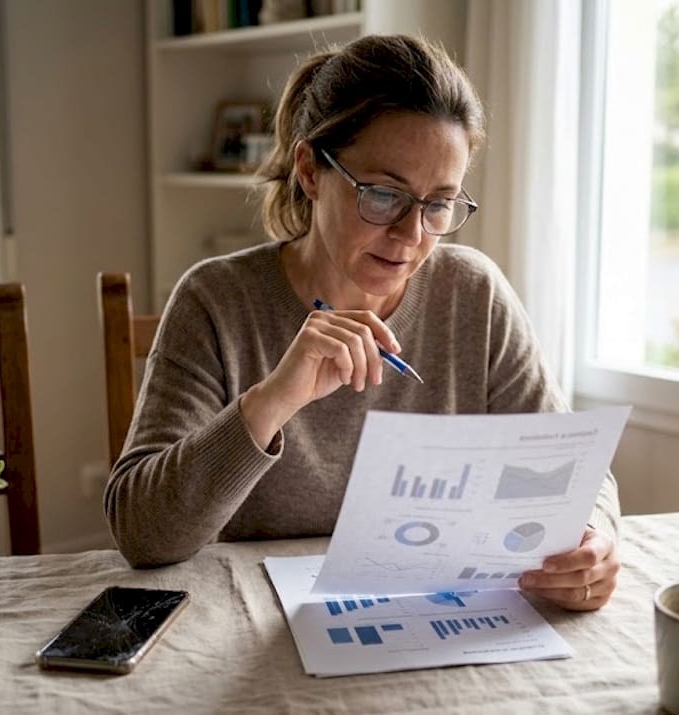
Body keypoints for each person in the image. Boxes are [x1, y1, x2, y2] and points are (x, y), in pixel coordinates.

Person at [105, 34, 621, 611]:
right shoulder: (216, 301)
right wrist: (273, 399)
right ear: (309, 170)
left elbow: (570, 470)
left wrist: (593, 539)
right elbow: (142, 533)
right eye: (383, 195)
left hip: (427, 624)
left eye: (439, 204)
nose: (411, 235)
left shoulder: (474, 294)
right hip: (253, 632)